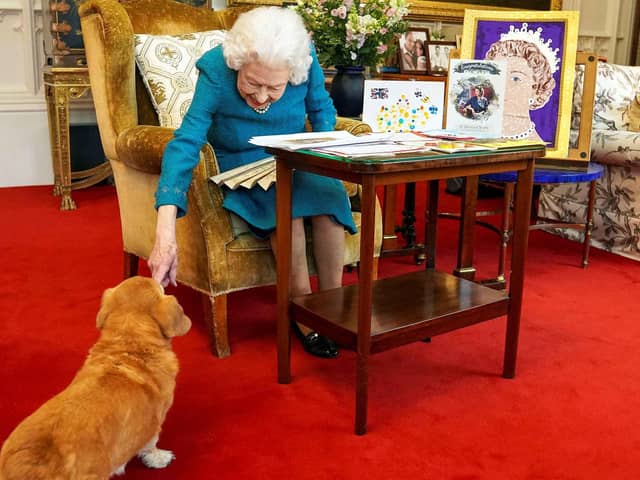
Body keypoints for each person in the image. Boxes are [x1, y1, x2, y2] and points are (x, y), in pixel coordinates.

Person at [149, 7, 355, 359]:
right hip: (241, 161)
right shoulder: (216, 68)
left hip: (295, 156)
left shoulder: (304, 60)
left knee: (329, 205)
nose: (262, 97)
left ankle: (330, 308)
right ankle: (303, 313)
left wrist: (326, 160)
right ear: (237, 63)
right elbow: (186, 141)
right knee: (285, 212)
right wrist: (165, 227)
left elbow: (322, 113)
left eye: (274, 87)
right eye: (252, 84)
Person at [485, 36, 556, 141]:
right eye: (497, 76)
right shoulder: (476, 137)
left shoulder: (535, 145)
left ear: (536, 89)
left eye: (515, 79)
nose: (502, 87)